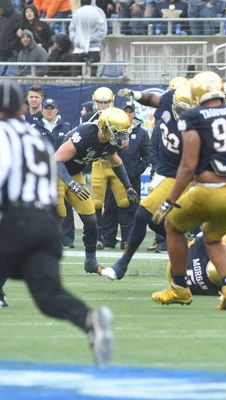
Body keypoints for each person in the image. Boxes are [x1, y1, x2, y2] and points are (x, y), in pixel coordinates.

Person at [0, 81, 113, 365]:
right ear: (22, 108)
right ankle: (89, 320)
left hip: (16, 221)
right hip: (44, 225)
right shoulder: (34, 137)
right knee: (48, 295)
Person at [150, 71, 226, 311]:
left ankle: (179, 288)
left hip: (212, 189)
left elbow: (187, 166)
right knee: (213, 238)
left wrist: (169, 201)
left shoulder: (194, 117)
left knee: (173, 226)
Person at [103, 82, 193, 280]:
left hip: (190, 177)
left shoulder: (199, 123)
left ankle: (123, 264)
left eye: (185, 110)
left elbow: (192, 164)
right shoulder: (170, 100)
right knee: (149, 218)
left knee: (151, 216)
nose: (180, 112)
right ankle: (124, 264)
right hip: (168, 173)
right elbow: (154, 100)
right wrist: (135, 94)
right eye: (177, 108)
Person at [54, 108, 138, 276]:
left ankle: (90, 261)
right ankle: (42, 260)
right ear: (106, 128)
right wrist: (71, 184)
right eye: (118, 133)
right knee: (59, 215)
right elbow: (56, 159)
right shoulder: (85, 135)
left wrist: (128, 185)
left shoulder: (109, 141)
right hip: (54, 173)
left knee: (90, 219)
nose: (121, 137)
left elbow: (115, 161)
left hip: (74, 175)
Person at [100, 101, 150, 250]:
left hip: (131, 177)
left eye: (130, 111)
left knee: (131, 209)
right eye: (125, 111)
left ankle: (128, 240)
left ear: (134, 113)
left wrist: (136, 170)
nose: (128, 114)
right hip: (113, 175)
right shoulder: (112, 129)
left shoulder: (141, 132)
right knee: (110, 207)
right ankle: (109, 240)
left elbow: (147, 155)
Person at [69, 0, 107, 77]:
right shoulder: (78, 12)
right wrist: (78, 41)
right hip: (78, 50)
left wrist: (87, 40)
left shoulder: (99, 12)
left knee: (92, 77)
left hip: (93, 49)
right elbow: (72, 29)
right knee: (74, 77)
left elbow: (102, 31)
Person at [0, 0, 22, 76]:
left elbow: (24, 34)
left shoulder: (18, 16)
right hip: (1, 53)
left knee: (10, 77)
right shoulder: (1, 17)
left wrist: (17, 49)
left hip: (13, 54)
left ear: (4, 7)